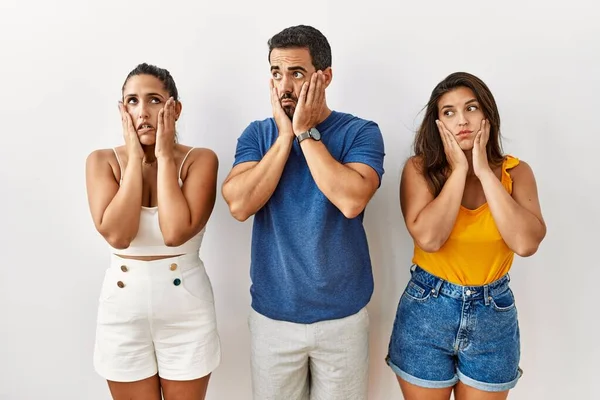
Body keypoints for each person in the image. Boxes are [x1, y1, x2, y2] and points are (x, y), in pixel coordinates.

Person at [221, 25, 385, 400]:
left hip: (342, 320)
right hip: (272, 319)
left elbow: (351, 200)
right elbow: (239, 204)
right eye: (277, 74)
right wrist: (284, 138)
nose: (284, 86)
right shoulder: (257, 134)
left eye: (296, 73)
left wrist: (306, 133)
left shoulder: (360, 132)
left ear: (324, 77)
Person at [386, 72, 547, 400]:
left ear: (487, 114)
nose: (462, 120)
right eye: (449, 112)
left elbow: (525, 243)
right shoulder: (419, 170)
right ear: (438, 123)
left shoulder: (517, 173)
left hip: (494, 316)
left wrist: (485, 171)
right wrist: (459, 170)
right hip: (427, 310)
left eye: (470, 108)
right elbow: (430, 239)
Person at [85, 63, 221, 400]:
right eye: (131, 101)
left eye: (154, 100)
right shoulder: (101, 161)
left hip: (186, 309)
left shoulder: (200, 159)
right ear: (122, 110)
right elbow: (118, 236)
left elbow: (175, 233)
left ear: (174, 108)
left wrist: (163, 154)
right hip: (122, 308)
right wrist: (134, 159)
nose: (142, 111)